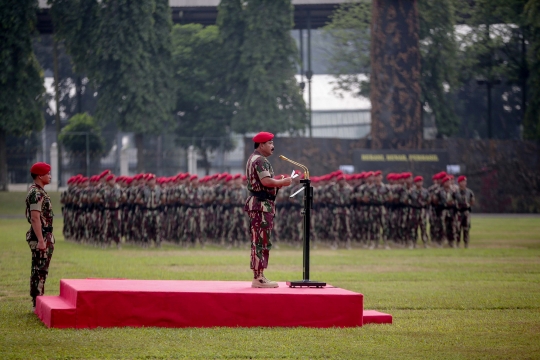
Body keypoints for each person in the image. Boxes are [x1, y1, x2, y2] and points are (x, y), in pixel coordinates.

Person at [244, 132, 292, 288]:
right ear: (261, 145)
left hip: (260, 204)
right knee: (261, 241)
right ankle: (258, 277)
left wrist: (278, 182)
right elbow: (265, 181)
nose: (273, 146)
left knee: (260, 240)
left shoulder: (254, 159)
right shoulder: (260, 160)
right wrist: (282, 182)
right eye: (270, 143)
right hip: (261, 205)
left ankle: (259, 275)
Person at [25, 162, 54, 311]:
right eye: (48, 173)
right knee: (39, 270)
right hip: (40, 236)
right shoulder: (36, 193)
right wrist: (41, 240)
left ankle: (37, 301)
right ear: (40, 176)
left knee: (40, 269)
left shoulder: (39, 191)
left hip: (44, 234)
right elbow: (35, 218)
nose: (50, 176)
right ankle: (37, 303)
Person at [455, 175, 475, 248]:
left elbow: (472, 201)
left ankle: (466, 243)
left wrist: (468, 204)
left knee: (466, 228)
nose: (464, 183)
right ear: (459, 182)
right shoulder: (455, 192)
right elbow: (451, 201)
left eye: (465, 181)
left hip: (466, 212)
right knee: (458, 228)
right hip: (458, 212)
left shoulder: (469, 192)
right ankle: (457, 243)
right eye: (462, 181)